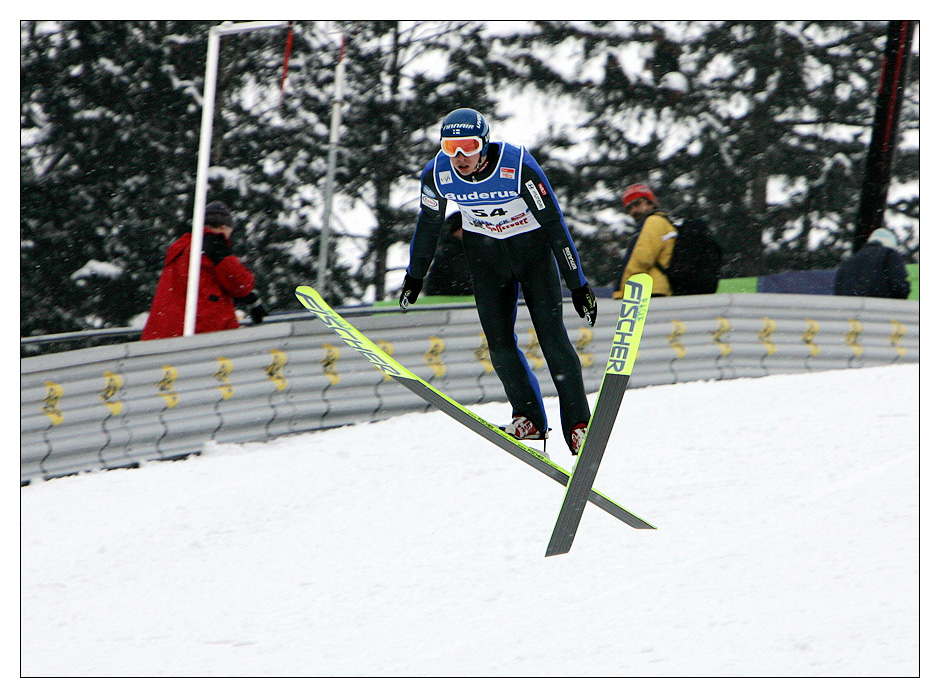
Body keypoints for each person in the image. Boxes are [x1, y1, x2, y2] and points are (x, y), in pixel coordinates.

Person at [399, 108, 597, 455]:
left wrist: (577, 283)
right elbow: (428, 225)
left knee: (552, 339)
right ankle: (530, 419)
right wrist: (414, 276)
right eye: (450, 148)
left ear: (485, 144)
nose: (460, 158)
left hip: (531, 250)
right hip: (485, 255)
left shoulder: (517, 165)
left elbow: (553, 224)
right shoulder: (438, 174)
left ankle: (578, 423)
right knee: (499, 345)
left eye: (468, 147)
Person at [141, 201, 267, 340]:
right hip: (200, 331)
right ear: (224, 227)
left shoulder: (182, 247)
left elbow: (203, 284)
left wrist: (249, 299)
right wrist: (251, 298)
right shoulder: (215, 245)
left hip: (164, 330)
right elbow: (241, 284)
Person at [614, 183, 677, 299]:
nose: (633, 211)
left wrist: (621, 291)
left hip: (651, 291)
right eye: (629, 208)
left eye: (637, 204)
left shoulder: (653, 221)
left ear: (650, 202)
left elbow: (642, 259)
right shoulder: (664, 221)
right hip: (661, 288)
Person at [834, 227, 911, 299]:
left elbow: (838, 290)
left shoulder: (849, 261)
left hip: (850, 310)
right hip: (880, 308)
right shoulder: (889, 254)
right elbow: (899, 286)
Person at [424, 211, 473, 296]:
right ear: (456, 231)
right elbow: (464, 282)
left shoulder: (463, 251)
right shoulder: (452, 252)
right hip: (454, 304)